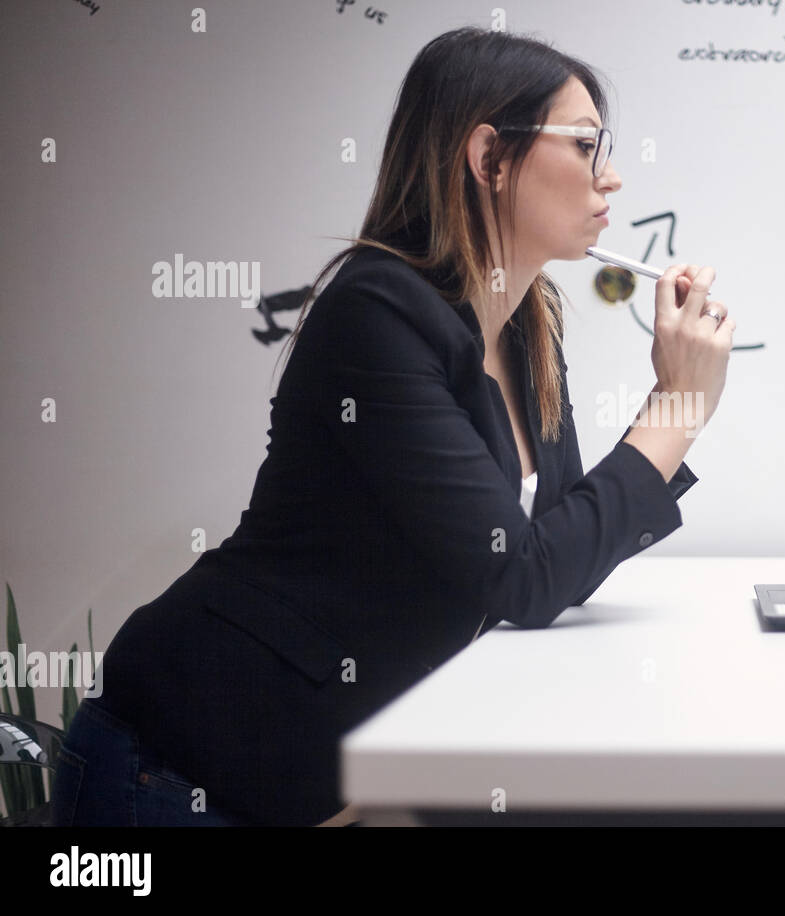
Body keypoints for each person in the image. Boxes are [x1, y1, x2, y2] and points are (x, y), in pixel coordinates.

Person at [51, 26, 735, 827]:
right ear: (490, 158)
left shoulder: (522, 325)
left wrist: (677, 404)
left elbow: (559, 559)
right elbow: (520, 573)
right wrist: (676, 409)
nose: (610, 177)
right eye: (586, 145)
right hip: (173, 766)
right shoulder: (376, 312)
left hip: (306, 780)